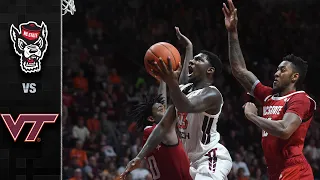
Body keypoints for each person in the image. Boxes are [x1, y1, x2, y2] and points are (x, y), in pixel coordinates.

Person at [223, 0, 316, 179]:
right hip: (274, 170)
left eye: (282, 70)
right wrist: (232, 32)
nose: (276, 73)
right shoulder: (268, 96)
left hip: (295, 170)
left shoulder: (300, 99)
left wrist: (252, 116)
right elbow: (239, 71)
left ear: (294, 77)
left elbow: (284, 129)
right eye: (277, 69)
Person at [149, 27, 232, 179]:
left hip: (210, 156)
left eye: (199, 60)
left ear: (210, 70)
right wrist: (189, 48)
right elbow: (182, 87)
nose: (193, 61)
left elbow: (185, 105)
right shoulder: (186, 89)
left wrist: (171, 81)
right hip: (192, 162)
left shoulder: (212, 94)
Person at [121, 80, 192, 180]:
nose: (164, 109)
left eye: (164, 108)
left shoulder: (149, 132)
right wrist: (170, 77)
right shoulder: (161, 131)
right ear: (151, 118)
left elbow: (161, 103)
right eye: (161, 110)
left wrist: (163, 80)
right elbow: (177, 101)